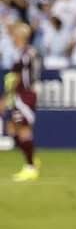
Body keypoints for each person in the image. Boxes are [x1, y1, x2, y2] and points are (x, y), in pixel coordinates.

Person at [6, 21, 40, 182]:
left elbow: (16, 78)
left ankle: (30, 167)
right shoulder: (28, 52)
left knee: (23, 129)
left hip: (24, 95)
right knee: (12, 128)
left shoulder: (24, 54)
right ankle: (31, 157)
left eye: (13, 35)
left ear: (19, 36)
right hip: (23, 95)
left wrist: (6, 96)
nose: (11, 38)